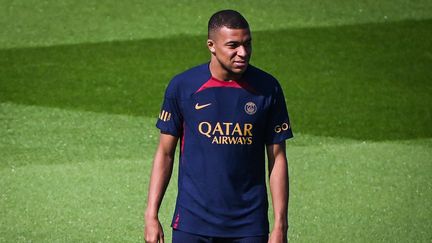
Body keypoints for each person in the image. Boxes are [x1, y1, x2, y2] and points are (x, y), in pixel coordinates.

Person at [144, 9, 293, 243]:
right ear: (211, 45)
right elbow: (165, 154)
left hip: (249, 226)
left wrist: (280, 225)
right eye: (233, 45)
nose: (243, 53)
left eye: (247, 44)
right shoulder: (183, 87)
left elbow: (277, 158)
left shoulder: (268, 88)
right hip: (192, 222)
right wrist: (151, 216)